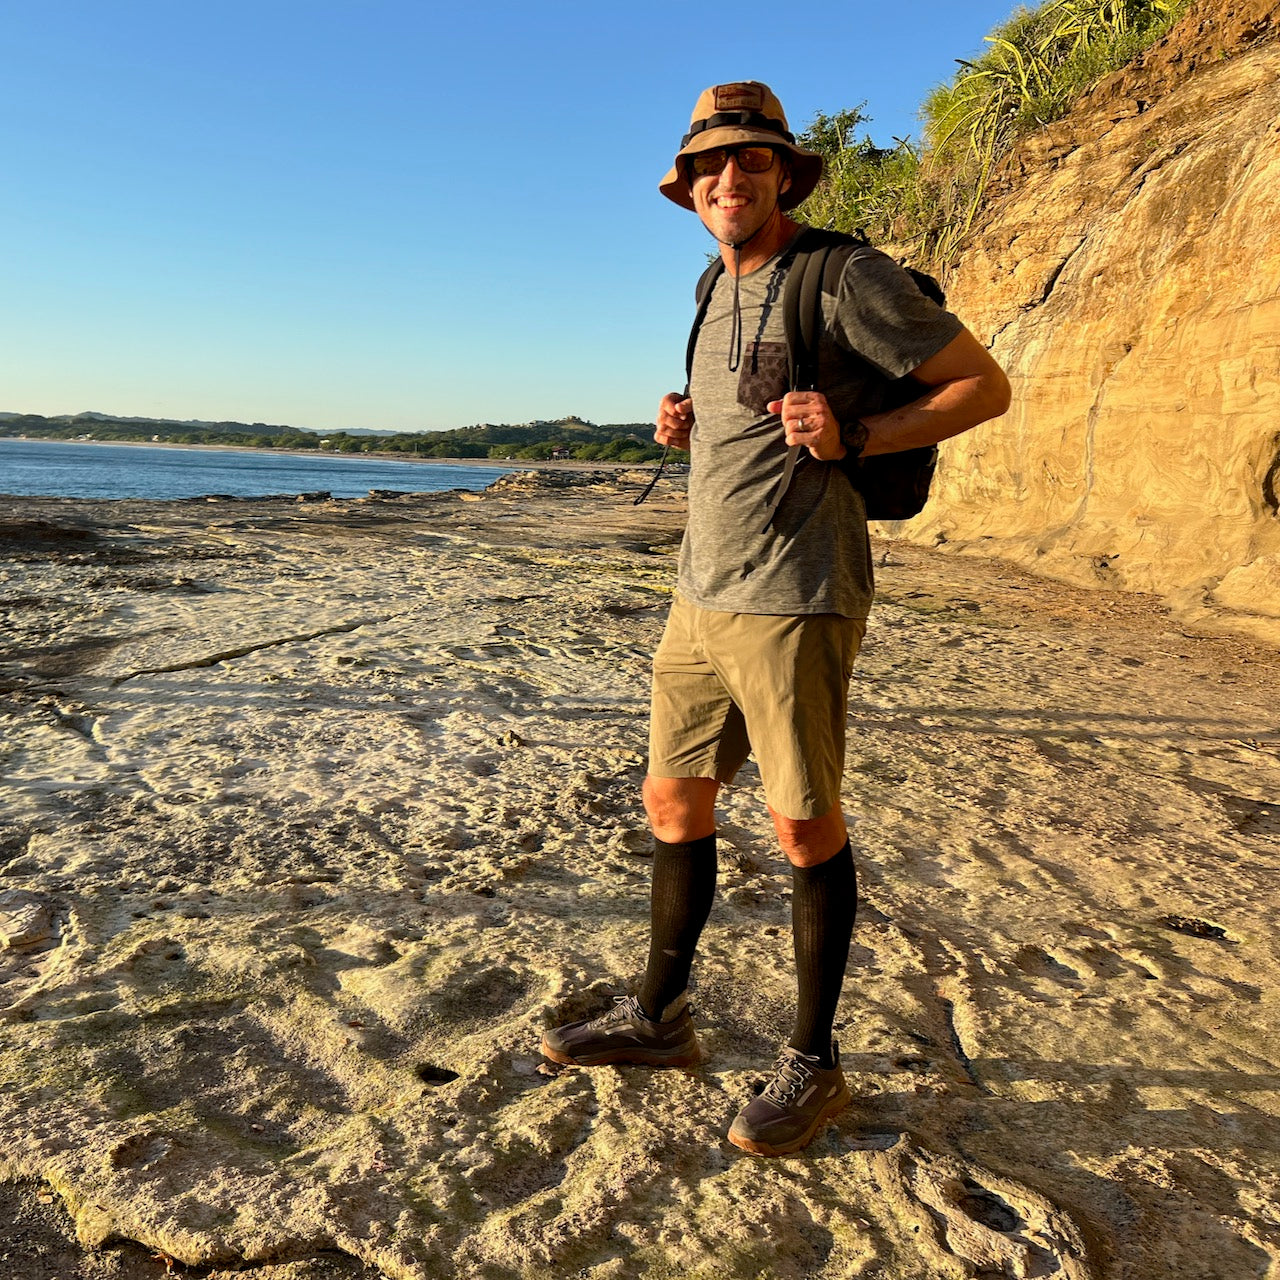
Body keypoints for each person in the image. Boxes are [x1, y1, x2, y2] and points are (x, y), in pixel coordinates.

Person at [541, 81, 1011, 1156]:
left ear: (782, 173)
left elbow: (979, 386)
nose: (726, 179)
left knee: (801, 823)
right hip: (698, 592)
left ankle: (813, 1061)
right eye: (707, 166)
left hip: (797, 594)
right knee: (673, 803)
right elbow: (743, 410)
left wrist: (855, 429)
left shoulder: (841, 274)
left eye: (748, 161)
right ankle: (658, 1019)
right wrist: (688, 417)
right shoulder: (713, 281)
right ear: (688, 188)